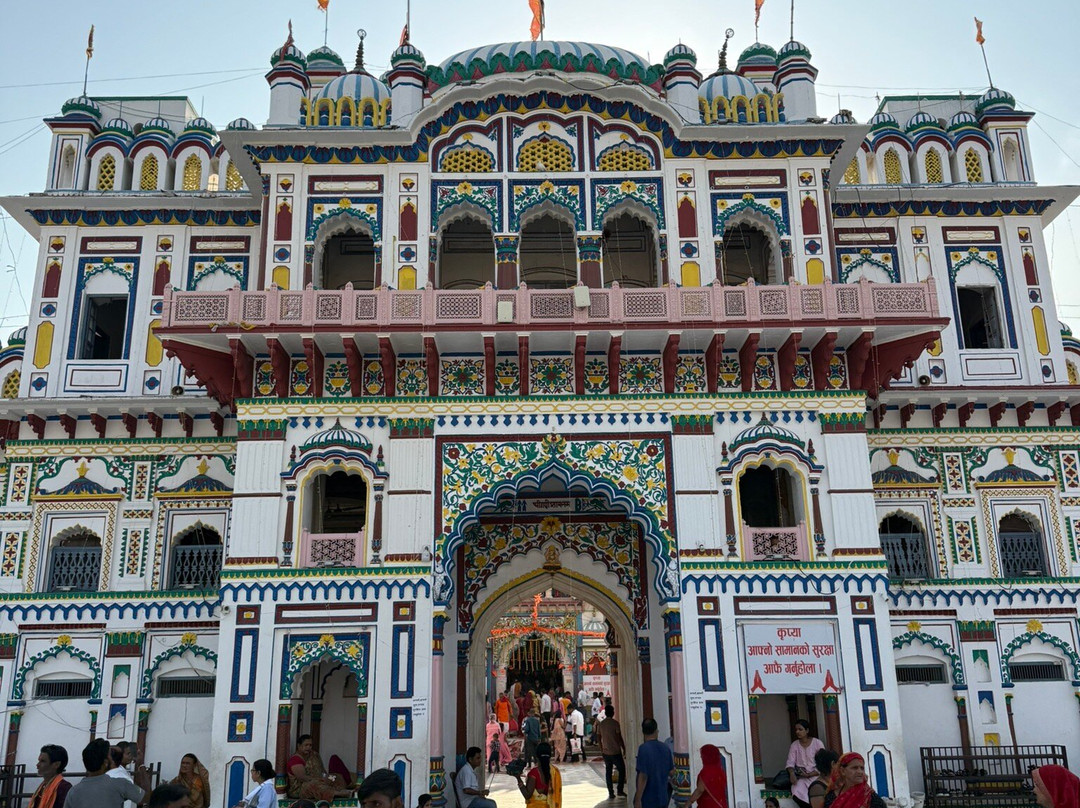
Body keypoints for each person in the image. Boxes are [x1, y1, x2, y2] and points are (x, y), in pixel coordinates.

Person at [66, 739, 145, 808]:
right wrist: (141, 765)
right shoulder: (119, 783)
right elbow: (146, 798)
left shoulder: (73, 791)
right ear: (105, 763)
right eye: (111, 755)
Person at [287, 734, 354, 801]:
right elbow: (303, 778)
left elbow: (322, 771)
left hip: (320, 780)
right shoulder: (295, 760)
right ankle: (338, 793)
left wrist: (327, 776)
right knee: (313, 785)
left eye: (310, 745)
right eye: (306, 745)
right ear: (299, 746)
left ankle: (344, 791)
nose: (308, 747)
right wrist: (320, 779)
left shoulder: (314, 755)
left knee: (335, 777)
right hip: (302, 788)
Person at [634, 718, 673, 808]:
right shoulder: (665, 748)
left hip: (648, 798)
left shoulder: (643, 749)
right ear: (656, 731)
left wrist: (638, 799)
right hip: (663, 797)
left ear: (643, 732)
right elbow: (671, 772)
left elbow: (643, 776)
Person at [786, 721, 825, 808]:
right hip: (802, 777)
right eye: (796, 730)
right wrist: (792, 774)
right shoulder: (794, 745)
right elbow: (790, 762)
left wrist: (810, 774)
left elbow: (822, 762)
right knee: (796, 791)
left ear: (807, 730)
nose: (797, 732)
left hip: (816, 776)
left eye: (800, 729)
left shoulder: (817, 743)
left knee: (818, 791)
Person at [514, 742, 561, 808]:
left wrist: (518, 778)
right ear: (550, 756)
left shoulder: (534, 773)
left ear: (537, 756)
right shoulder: (555, 772)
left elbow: (527, 795)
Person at [597, 705, 627, 799]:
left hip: (606, 752)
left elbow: (598, 737)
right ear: (613, 713)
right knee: (622, 770)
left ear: (605, 713)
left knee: (608, 772)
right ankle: (620, 790)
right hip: (616, 752)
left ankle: (611, 792)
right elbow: (619, 737)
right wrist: (624, 748)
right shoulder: (615, 723)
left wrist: (601, 748)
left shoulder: (601, 724)